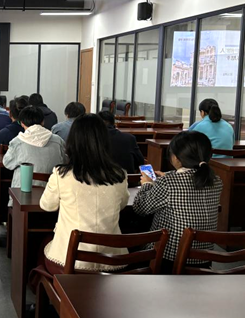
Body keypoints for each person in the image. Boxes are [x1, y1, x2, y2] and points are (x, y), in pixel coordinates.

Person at [39, 114, 129, 274]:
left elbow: (47, 206)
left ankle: (54, 289)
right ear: (104, 142)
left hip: (70, 263)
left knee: (42, 244)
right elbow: (122, 205)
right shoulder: (119, 175)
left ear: (73, 142)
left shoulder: (62, 174)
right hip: (113, 261)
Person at [133, 131, 223, 274]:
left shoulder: (169, 183)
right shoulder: (216, 181)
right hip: (203, 257)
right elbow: (190, 181)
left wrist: (147, 184)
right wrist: (168, 177)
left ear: (175, 157)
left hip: (169, 258)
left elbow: (140, 208)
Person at [3, 106, 66, 205]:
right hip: (52, 194)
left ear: (22, 123)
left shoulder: (18, 142)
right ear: (43, 122)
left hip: (23, 194)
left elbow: (7, 163)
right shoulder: (58, 141)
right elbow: (65, 162)